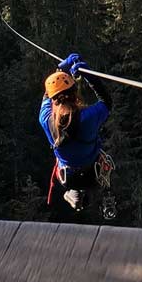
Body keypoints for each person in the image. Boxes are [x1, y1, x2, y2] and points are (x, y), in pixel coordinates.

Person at [39, 52, 114, 216]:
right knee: (87, 160)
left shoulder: (46, 120)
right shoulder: (88, 117)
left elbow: (48, 93)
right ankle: (78, 195)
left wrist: (60, 70)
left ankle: (77, 195)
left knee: (78, 181)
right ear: (75, 92)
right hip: (89, 172)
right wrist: (89, 76)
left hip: (71, 176)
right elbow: (107, 102)